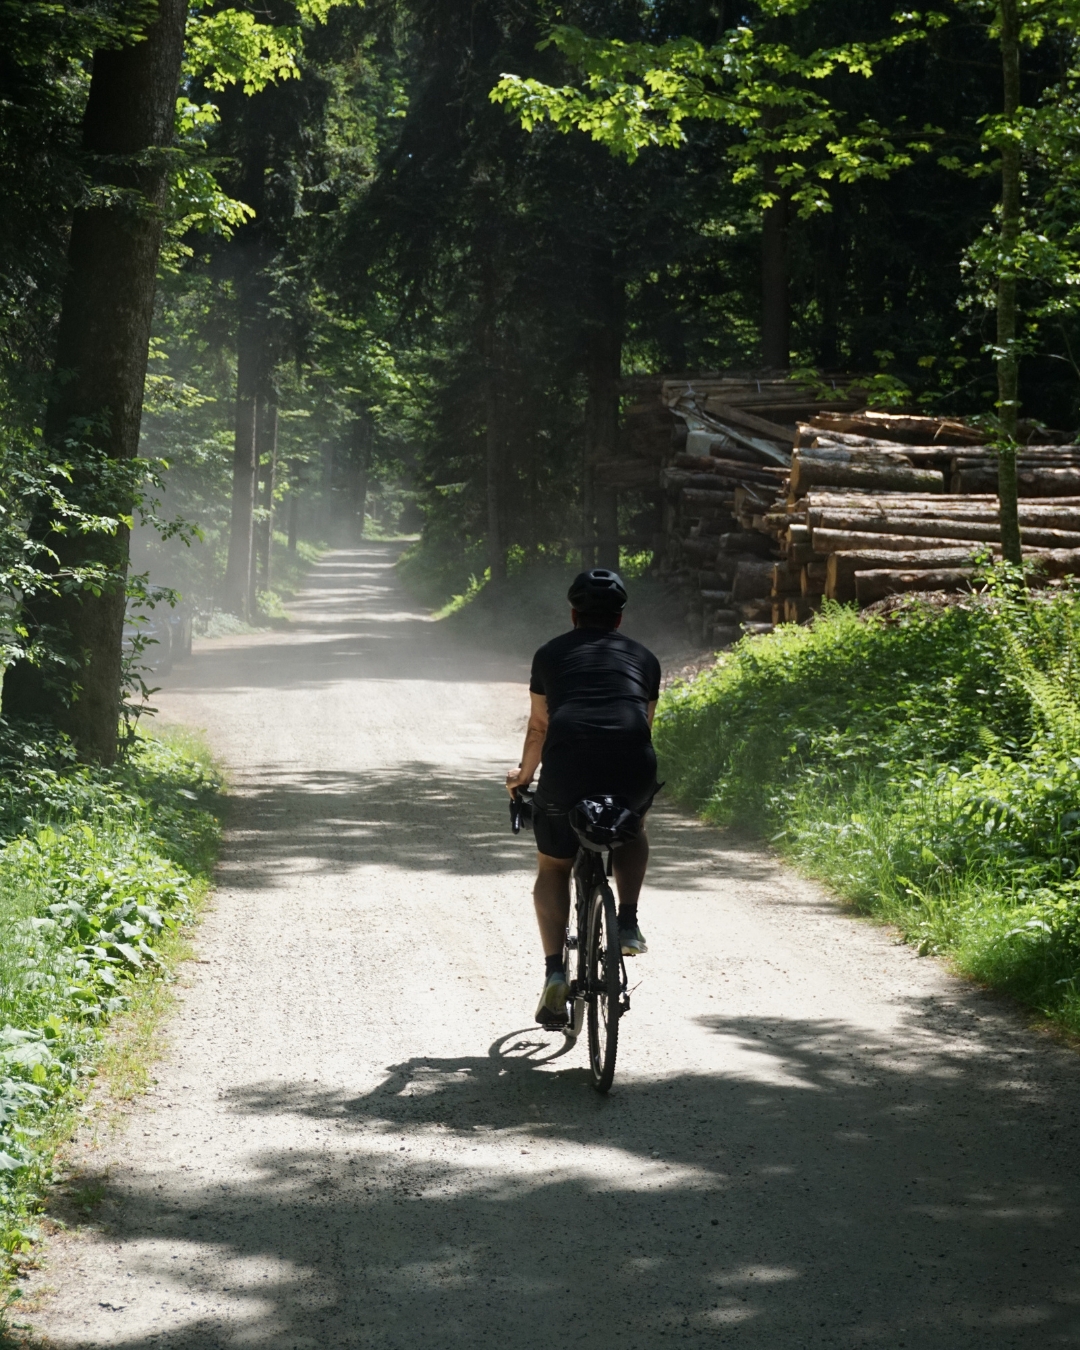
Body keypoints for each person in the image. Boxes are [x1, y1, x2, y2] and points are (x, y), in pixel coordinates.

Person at [505, 569, 662, 1026]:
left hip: (568, 765)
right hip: (631, 762)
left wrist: (522, 777)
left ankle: (555, 972)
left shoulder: (549, 654)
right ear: (619, 618)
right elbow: (645, 722)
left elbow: (540, 727)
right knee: (633, 827)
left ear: (573, 614)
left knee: (554, 866)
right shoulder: (645, 658)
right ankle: (627, 921)